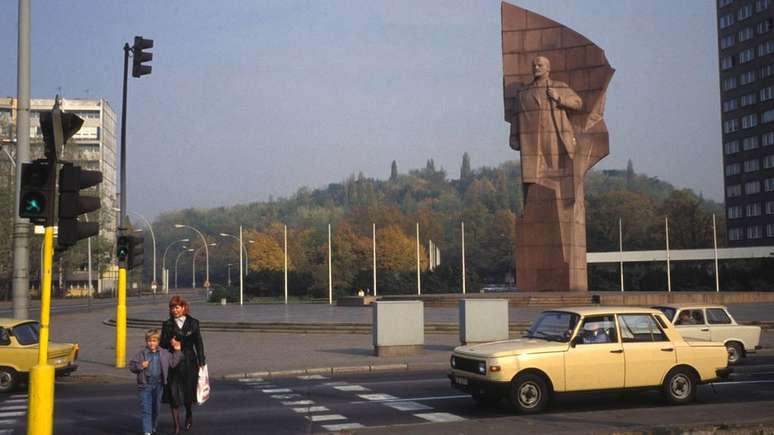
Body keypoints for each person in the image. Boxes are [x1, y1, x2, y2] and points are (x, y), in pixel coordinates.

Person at [161, 296, 206, 434]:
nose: (175, 310)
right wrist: (172, 344)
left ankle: (188, 413)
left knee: (188, 392)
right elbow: (162, 344)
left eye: (177, 307)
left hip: (189, 360)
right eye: (172, 308)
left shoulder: (194, 323)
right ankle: (176, 426)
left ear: (184, 307)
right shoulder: (167, 324)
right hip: (173, 361)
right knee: (174, 394)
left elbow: (198, 343)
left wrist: (201, 362)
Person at [129, 329, 182, 435]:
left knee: (156, 409)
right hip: (145, 385)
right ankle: (147, 432)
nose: (151, 343)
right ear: (146, 341)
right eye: (149, 341)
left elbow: (172, 363)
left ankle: (153, 428)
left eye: (154, 341)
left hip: (158, 385)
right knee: (146, 409)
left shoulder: (164, 353)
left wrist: (177, 350)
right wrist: (140, 365)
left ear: (158, 341)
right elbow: (132, 366)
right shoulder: (142, 354)